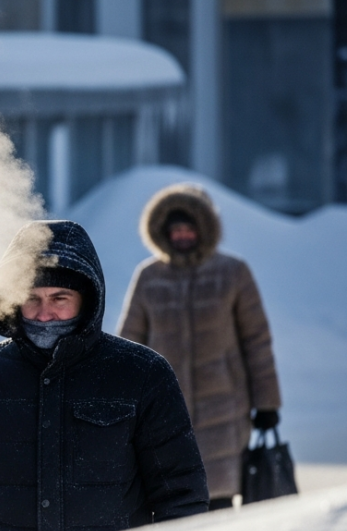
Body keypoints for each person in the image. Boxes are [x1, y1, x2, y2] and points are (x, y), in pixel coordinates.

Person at [0, 220, 208, 531]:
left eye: (60, 298)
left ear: (86, 299)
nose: (45, 314)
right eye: (33, 299)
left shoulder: (142, 374)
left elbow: (180, 495)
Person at [118, 184, 282, 509]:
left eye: (188, 228)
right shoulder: (149, 277)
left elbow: (257, 342)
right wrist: (120, 404)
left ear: (204, 228)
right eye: (175, 229)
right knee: (174, 501)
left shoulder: (233, 273)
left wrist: (267, 404)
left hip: (224, 408)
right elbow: (129, 346)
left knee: (218, 501)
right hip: (164, 412)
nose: (181, 236)